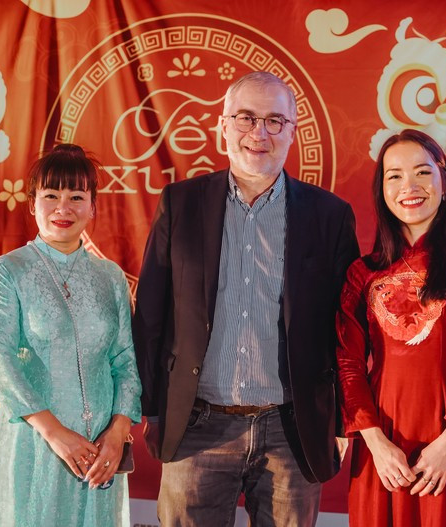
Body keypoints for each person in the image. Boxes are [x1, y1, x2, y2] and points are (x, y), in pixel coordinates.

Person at [132, 71, 359, 526]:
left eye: (275, 121)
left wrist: (341, 419)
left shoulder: (330, 215)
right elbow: (152, 315)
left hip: (291, 431)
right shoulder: (180, 203)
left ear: (292, 132)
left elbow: (346, 328)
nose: (259, 133)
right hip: (198, 424)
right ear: (222, 126)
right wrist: (152, 407)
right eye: (246, 118)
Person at [335, 129, 446, 526]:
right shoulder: (363, 273)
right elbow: (347, 365)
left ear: (445, 183)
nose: (408, 187)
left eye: (422, 173)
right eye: (394, 175)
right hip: (383, 448)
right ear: (381, 190)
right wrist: (375, 443)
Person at [0, 144, 142, 526]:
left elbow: (126, 360)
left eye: (76, 197)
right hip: (37, 441)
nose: (63, 208)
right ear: (32, 202)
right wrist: (54, 432)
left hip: (101, 448)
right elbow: (0, 361)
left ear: (93, 206)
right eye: (51, 195)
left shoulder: (111, 278)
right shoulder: (8, 273)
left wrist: (118, 431)